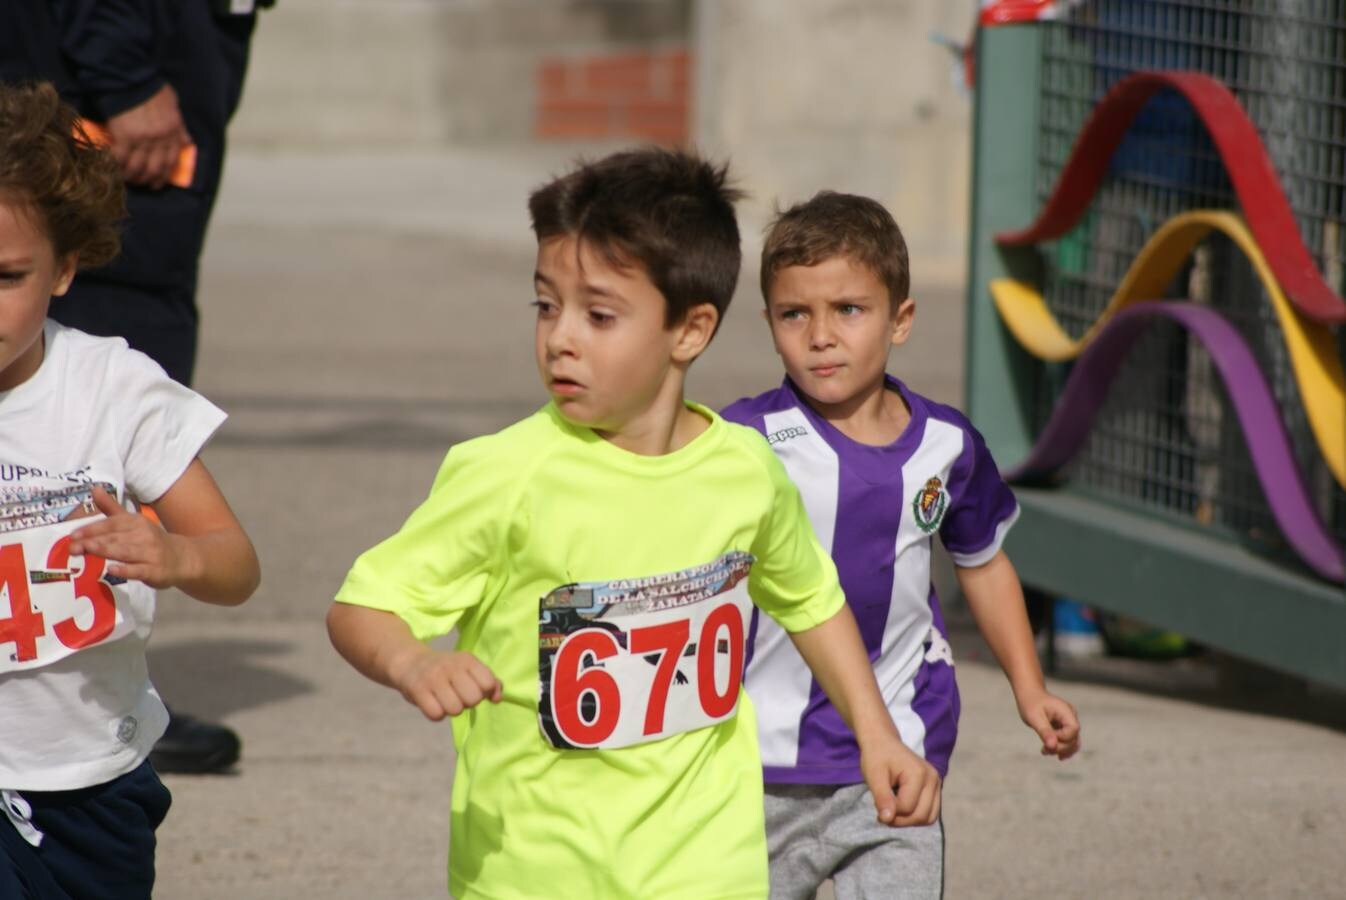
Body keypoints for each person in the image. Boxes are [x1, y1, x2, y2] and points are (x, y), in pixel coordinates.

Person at [326, 148, 942, 899]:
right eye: (546, 305)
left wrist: (877, 736)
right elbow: (363, 608)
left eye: (600, 314)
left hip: (706, 867)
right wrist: (413, 663)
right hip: (533, 872)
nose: (561, 337)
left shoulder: (744, 470)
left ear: (690, 331)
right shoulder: (505, 473)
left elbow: (811, 599)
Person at [721, 191, 1082, 899]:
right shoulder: (740, 441)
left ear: (901, 319)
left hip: (899, 757)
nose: (821, 335)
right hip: (754, 769)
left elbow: (982, 564)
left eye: (849, 310)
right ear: (770, 324)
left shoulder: (948, 446)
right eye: (796, 314)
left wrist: (1029, 686)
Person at [0, 82, 260, 898]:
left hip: (92, 781)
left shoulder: (112, 388)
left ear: (66, 269)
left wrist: (175, 554)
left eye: (7, 276)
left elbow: (235, 564)